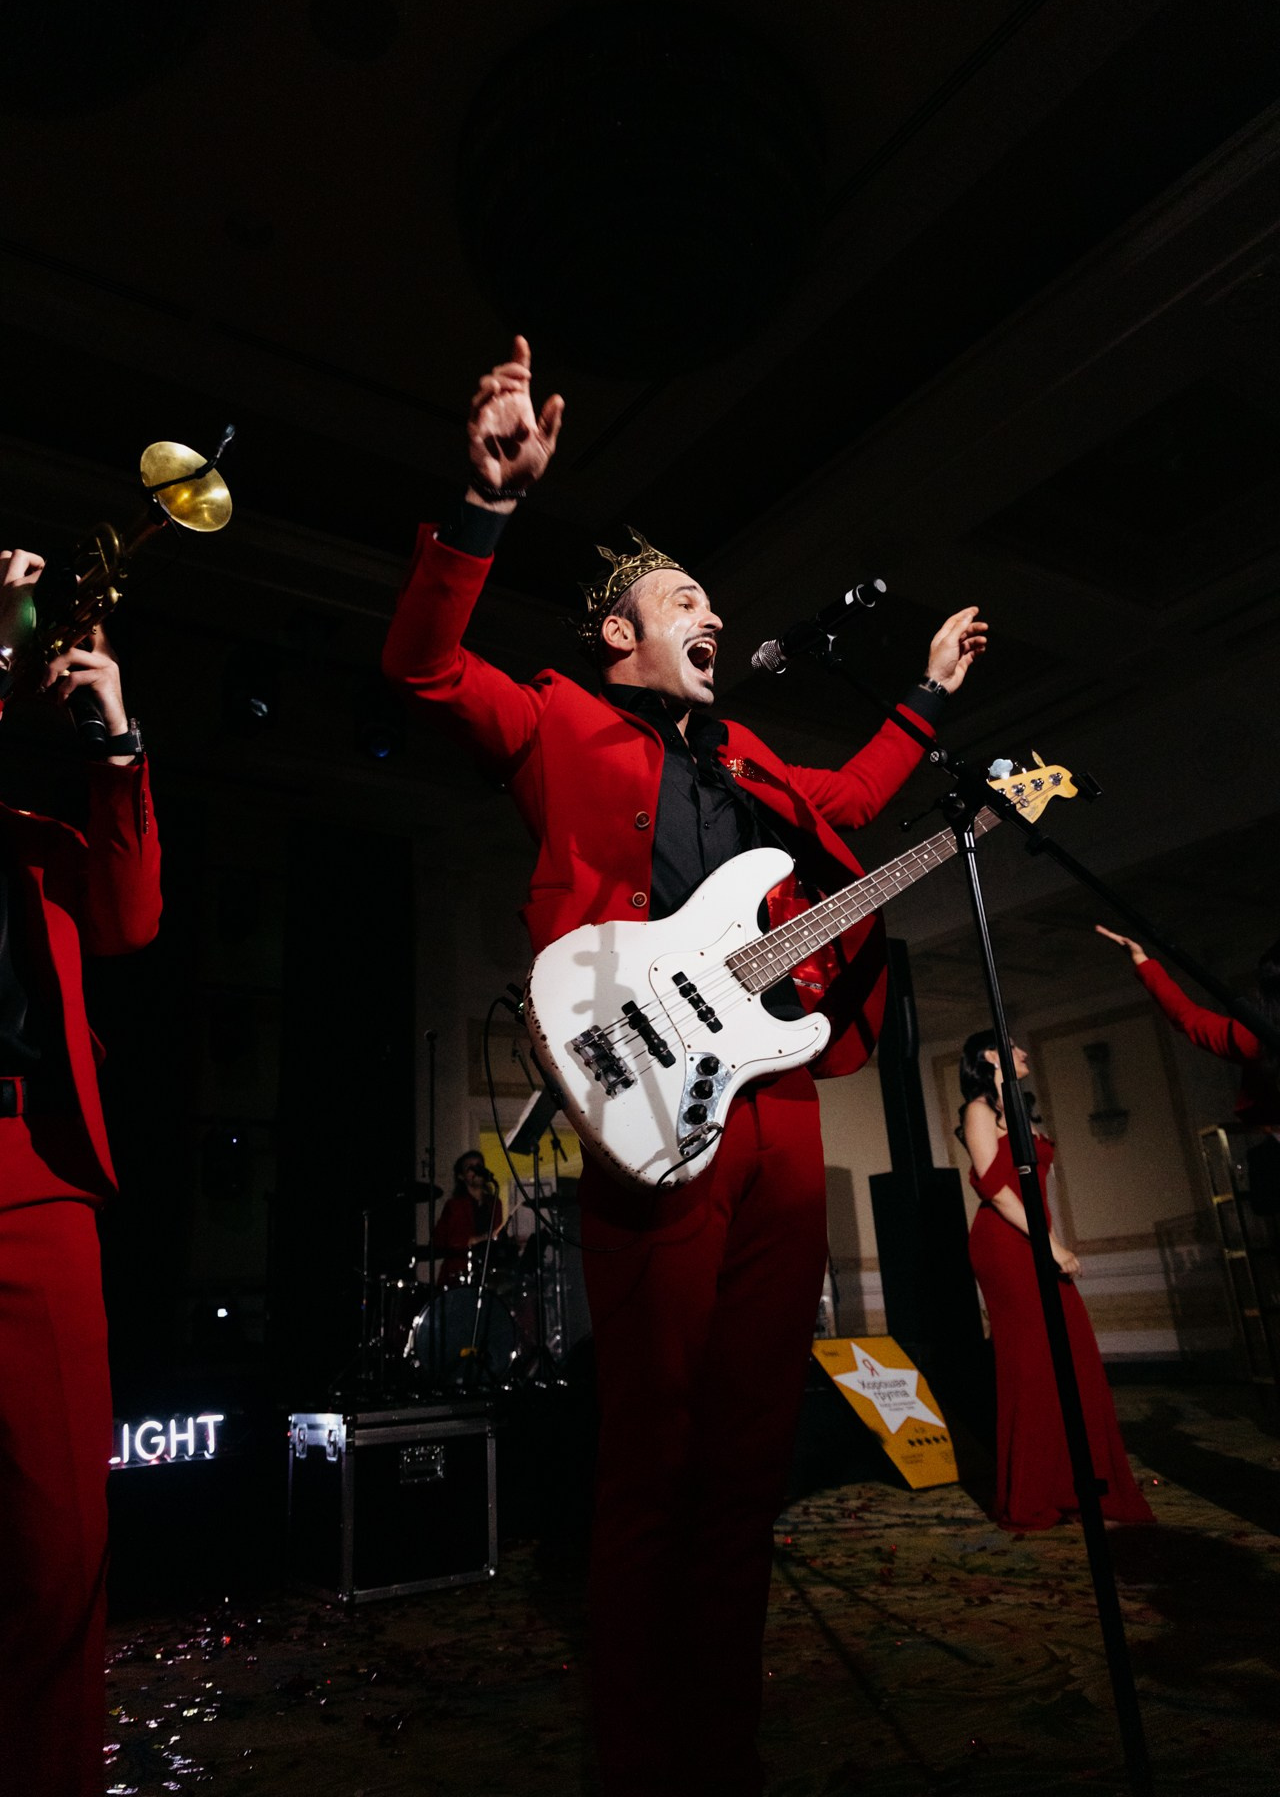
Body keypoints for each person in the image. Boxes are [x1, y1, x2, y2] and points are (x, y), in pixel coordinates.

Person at [383, 335, 987, 1797]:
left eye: (713, 600)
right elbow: (421, 669)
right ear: (620, 635)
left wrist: (924, 697)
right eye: (685, 600)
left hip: (775, 1109)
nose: (715, 613)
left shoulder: (753, 760)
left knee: (748, 1451)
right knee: (653, 1453)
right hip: (648, 1104)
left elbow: (847, 806)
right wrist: (484, 505)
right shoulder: (559, 717)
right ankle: (641, 1753)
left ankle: (722, 1743)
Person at [0, 549, 162, 1797]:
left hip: (31, 1171)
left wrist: (114, 741)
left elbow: (129, 919)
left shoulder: (36, 836)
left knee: (61, 1543)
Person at [957, 1029, 1153, 1532]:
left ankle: (1078, 1483)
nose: (1024, 1053)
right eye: (1012, 1046)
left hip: (1035, 1236)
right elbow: (995, 1189)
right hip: (1004, 1244)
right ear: (989, 1056)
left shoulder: (1020, 1110)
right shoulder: (979, 1110)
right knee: (1031, 1363)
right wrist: (1052, 1246)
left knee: (1072, 1354)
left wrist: (1053, 1241)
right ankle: (1033, 1491)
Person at [1096, 926, 1280, 1211]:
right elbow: (1188, 1018)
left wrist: (1142, 960)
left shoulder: (1255, 1041)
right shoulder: (1255, 1041)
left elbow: (1187, 1017)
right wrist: (1142, 962)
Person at [433, 1149, 506, 1285]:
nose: (476, 1171)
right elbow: (442, 1241)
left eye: (479, 1166)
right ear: (461, 1176)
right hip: (459, 1274)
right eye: (470, 1168)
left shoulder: (495, 1203)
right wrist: (476, 1240)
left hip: (487, 1274)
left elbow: (496, 1237)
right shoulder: (454, 1205)